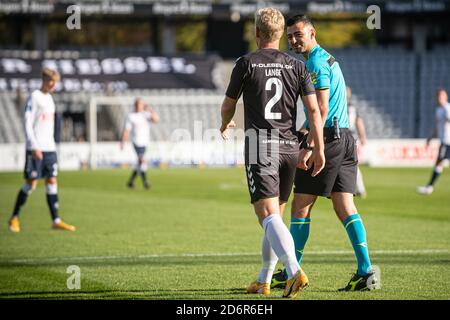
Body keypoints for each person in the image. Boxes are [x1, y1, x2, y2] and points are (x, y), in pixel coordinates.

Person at [220, 7, 325, 298]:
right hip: (290, 148)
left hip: (260, 145)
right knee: (275, 215)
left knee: (266, 215)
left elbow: (228, 103)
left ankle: (293, 272)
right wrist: (318, 148)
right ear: (281, 35)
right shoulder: (298, 67)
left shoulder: (246, 63)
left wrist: (224, 122)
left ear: (256, 33)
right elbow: (315, 111)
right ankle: (264, 279)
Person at [271, 14, 378, 292]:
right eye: (290, 36)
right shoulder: (325, 58)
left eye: (298, 34)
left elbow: (320, 108)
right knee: (345, 207)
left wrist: (310, 146)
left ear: (312, 33)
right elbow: (321, 110)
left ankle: (289, 271)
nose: (293, 40)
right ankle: (366, 271)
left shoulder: (316, 62)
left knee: (300, 206)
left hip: (329, 138)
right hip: (344, 138)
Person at [8, 68, 75, 233]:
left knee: (52, 181)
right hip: (36, 148)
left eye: (55, 82)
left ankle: (56, 220)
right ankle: (14, 217)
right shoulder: (34, 97)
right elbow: (27, 122)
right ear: (44, 80)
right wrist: (34, 146)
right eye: (51, 82)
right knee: (31, 184)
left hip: (49, 148)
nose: (53, 85)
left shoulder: (50, 99)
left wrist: (50, 146)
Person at [120, 98, 159, 189]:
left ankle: (131, 181)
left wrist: (150, 109)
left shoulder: (146, 115)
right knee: (142, 160)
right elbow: (126, 130)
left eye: (141, 104)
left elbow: (156, 120)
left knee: (140, 163)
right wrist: (123, 141)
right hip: (136, 142)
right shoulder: (131, 116)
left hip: (145, 142)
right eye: (137, 104)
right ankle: (145, 182)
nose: (139, 106)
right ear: (135, 105)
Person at [417, 88, 450, 195]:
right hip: (444, 141)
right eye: (438, 96)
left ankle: (429, 187)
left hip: (447, 141)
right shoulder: (439, 110)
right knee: (439, 163)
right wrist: (430, 137)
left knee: (439, 163)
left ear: (446, 97)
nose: (440, 98)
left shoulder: (447, 109)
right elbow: (437, 127)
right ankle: (429, 187)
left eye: (442, 96)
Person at [347, 86, 367, 198]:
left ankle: (359, 189)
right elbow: (359, 122)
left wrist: (362, 136)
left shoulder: (337, 105)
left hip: (346, 138)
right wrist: (362, 136)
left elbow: (359, 122)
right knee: (352, 164)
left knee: (351, 164)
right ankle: (359, 189)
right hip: (352, 138)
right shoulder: (353, 108)